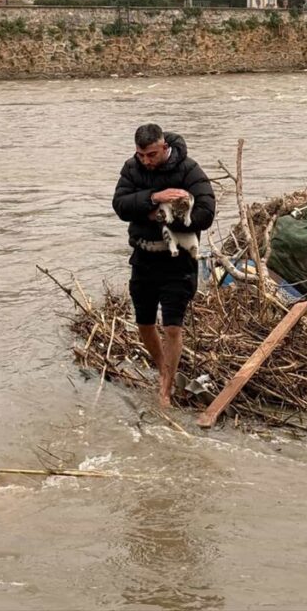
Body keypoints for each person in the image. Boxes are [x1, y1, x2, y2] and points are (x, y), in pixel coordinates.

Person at [112, 123, 216, 407]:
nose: (146, 161)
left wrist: (173, 217)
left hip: (178, 260)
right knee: (144, 324)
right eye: (141, 155)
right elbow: (120, 205)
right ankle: (164, 371)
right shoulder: (132, 169)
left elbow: (207, 214)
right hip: (143, 258)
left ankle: (165, 391)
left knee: (172, 327)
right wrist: (154, 199)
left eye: (152, 155)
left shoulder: (189, 169)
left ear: (164, 147)